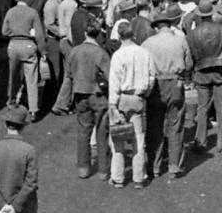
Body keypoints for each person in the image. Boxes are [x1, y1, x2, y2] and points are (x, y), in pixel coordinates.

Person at [142, 6, 192, 178]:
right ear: (169, 25)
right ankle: (173, 165)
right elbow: (189, 63)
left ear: (156, 26)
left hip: (156, 84)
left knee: (155, 125)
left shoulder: (148, 43)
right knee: (175, 124)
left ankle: (154, 167)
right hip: (176, 83)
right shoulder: (181, 40)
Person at [106, 19, 153, 188]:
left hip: (121, 99)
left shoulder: (117, 55)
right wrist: (144, 93)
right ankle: (139, 177)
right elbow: (151, 77)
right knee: (138, 139)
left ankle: (118, 177)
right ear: (133, 35)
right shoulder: (144, 52)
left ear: (119, 36)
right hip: (138, 98)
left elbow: (114, 82)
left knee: (118, 139)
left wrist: (112, 104)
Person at [60, 20, 110, 177]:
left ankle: (83, 168)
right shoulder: (101, 53)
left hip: (80, 95)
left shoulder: (74, 51)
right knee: (102, 132)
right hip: (98, 95)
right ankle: (103, 170)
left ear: (85, 33)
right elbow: (109, 76)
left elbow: (68, 75)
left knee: (83, 131)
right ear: (99, 34)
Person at [186, 0, 222, 156]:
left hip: (201, 72)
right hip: (220, 72)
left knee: (202, 108)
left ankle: (200, 141)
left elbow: (191, 58)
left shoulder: (192, 34)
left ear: (199, 15)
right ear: (212, 13)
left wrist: (191, 74)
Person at [1, 0, 47, 117]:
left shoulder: (10, 12)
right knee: (31, 79)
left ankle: (11, 102)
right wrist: (43, 51)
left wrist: (15, 32)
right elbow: (39, 35)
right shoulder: (32, 13)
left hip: (13, 45)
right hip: (28, 45)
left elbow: (4, 31)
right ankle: (33, 109)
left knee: (13, 76)